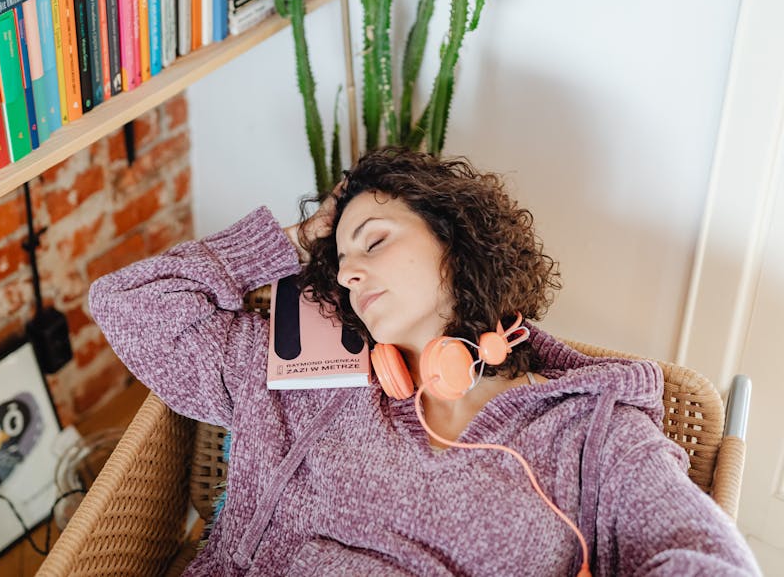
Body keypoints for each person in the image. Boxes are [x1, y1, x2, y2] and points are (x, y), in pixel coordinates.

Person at [89, 147, 759, 576]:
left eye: (374, 241)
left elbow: (712, 562)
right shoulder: (303, 377)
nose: (350, 272)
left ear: (456, 241)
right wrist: (295, 240)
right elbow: (128, 303)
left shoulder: (592, 432)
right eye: (340, 261)